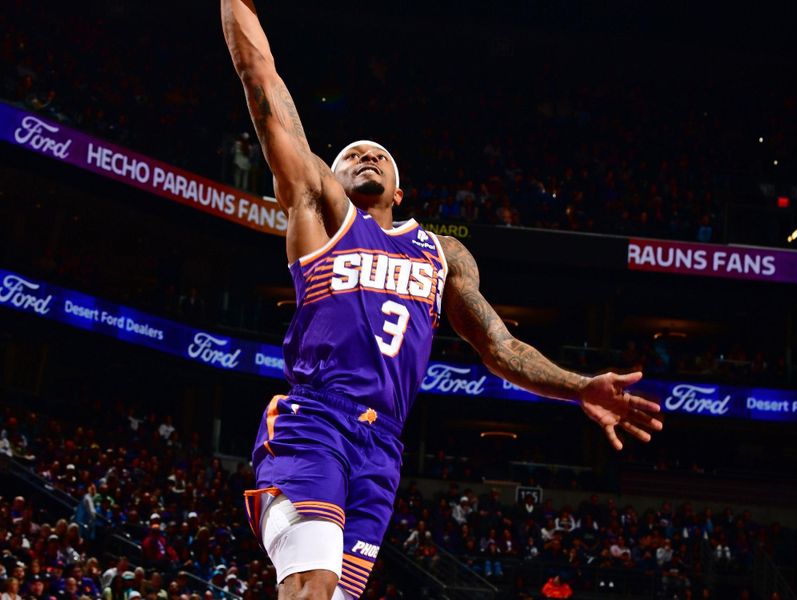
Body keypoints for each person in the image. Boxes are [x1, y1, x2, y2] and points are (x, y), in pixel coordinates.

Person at [221, 2, 663, 599]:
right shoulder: (318, 210)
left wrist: (579, 385)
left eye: (379, 154)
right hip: (317, 421)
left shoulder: (443, 255)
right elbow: (261, 77)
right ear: (334, 175)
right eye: (352, 154)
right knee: (312, 585)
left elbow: (501, 348)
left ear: (400, 189)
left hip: (382, 451)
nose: (366, 156)